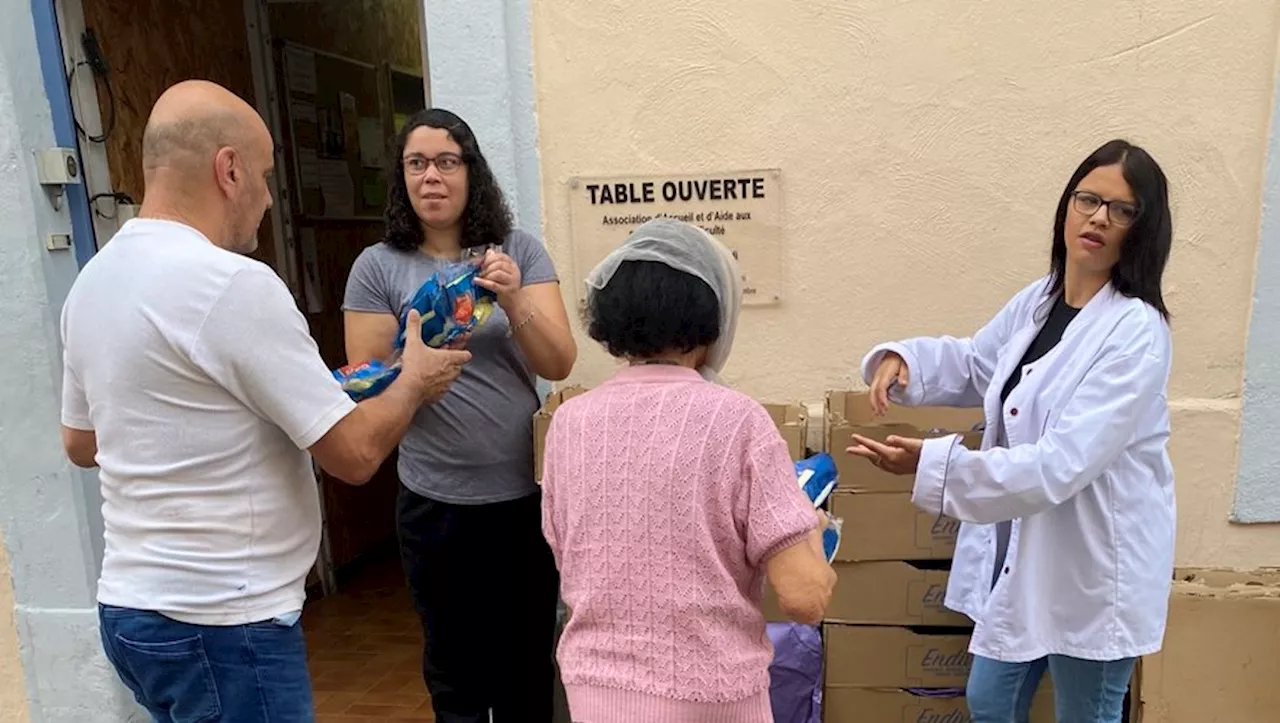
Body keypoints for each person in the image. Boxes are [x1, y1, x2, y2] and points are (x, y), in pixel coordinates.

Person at [59, 80, 471, 723]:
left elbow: (82, 443)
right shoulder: (232, 285)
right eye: (265, 174)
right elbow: (355, 456)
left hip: (132, 612)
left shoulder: (94, 280)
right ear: (229, 169)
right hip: (224, 622)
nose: (270, 198)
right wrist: (415, 378)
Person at [848, 139, 1175, 723]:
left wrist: (934, 465)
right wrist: (909, 364)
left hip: (1096, 568)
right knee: (991, 702)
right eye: (1088, 199)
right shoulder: (1040, 301)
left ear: (1141, 230)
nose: (1099, 217)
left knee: (1085, 713)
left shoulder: (1136, 332)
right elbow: (981, 363)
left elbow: (1060, 463)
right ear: (1067, 207)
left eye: (1122, 210)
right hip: (1025, 559)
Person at [540, 218, 837, 722]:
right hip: (713, 699)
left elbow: (570, 553)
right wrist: (813, 533)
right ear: (714, 317)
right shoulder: (738, 420)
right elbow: (805, 598)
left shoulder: (569, 424)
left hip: (594, 694)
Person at [342, 108, 577, 722]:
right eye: (416, 164)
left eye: (448, 162)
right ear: (402, 177)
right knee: (455, 674)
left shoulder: (517, 250)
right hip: (433, 502)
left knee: (527, 666)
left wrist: (513, 295)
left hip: (523, 497)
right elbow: (366, 384)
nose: (432, 177)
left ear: (471, 172)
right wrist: (422, 349)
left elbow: (559, 360)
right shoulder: (377, 266)